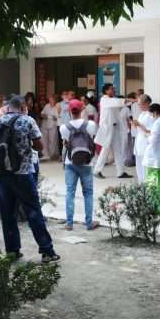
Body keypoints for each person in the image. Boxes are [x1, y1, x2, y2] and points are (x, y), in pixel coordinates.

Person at [0, 96, 60, 263]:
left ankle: (12, 251)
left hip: (2, 173)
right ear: (22, 107)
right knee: (33, 211)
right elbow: (39, 146)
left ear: (8, 107)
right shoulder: (27, 121)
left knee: (7, 213)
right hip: (22, 173)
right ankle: (47, 251)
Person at [60, 99, 100, 231]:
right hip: (87, 163)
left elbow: (65, 143)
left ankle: (69, 223)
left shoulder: (64, 127)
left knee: (70, 192)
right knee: (88, 193)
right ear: (82, 109)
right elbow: (92, 138)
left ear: (70, 111)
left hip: (70, 163)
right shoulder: (91, 125)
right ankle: (89, 223)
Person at [93, 84, 133, 179]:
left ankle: (121, 172)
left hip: (114, 128)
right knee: (105, 150)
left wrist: (131, 101)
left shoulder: (112, 100)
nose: (114, 90)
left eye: (113, 89)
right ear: (106, 91)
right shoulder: (104, 99)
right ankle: (96, 171)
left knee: (118, 150)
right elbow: (118, 102)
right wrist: (132, 99)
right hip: (108, 129)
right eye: (111, 89)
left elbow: (120, 104)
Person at [142, 104, 160, 208]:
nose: (150, 116)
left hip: (154, 158)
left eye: (150, 113)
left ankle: (153, 205)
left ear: (155, 112)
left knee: (152, 182)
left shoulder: (157, 123)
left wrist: (147, 137)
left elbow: (153, 141)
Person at [132, 94, 154, 182]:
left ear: (146, 103)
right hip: (139, 142)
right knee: (139, 166)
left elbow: (150, 131)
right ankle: (141, 184)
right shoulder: (141, 114)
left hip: (146, 143)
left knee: (145, 167)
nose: (139, 106)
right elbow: (139, 128)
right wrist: (135, 124)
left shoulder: (151, 115)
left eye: (140, 104)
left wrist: (139, 125)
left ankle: (146, 185)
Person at [39, 94, 60, 160]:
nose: (50, 101)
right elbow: (42, 114)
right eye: (49, 100)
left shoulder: (57, 106)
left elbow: (59, 117)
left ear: (55, 100)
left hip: (53, 125)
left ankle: (51, 155)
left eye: (51, 100)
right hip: (45, 124)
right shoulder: (47, 105)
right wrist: (43, 115)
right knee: (44, 140)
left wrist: (55, 117)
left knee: (52, 140)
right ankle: (45, 154)